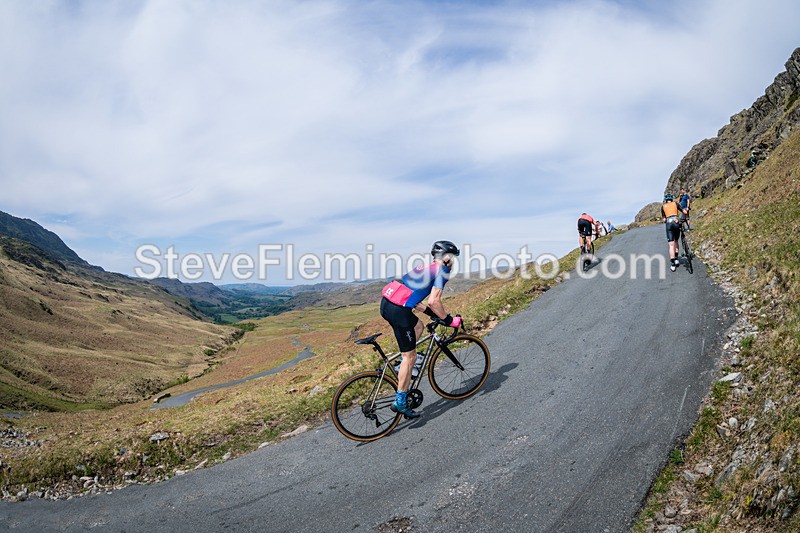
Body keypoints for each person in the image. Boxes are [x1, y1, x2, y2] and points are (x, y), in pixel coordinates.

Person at [380, 240, 462, 418]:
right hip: (398, 309)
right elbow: (434, 301)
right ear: (447, 258)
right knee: (410, 357)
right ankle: (400, 402)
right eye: (454, 257)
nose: (454, 261)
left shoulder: (424, 266)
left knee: (418, 326)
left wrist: (429, 313)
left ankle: (401, 365)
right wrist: (448, 320)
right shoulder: (443, 270)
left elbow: (410, 293)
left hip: (387, 303)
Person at [661, 193, 689, 272]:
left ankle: (673, 264)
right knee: (676, 241)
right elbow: (684, 211)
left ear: (666, 200)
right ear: (672, 199)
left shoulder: (663, 206)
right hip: (676, 222)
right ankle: (676, 259)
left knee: (671, 244)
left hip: (669, 224)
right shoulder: (675, 204)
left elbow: (664, 220)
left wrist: (666, 219)